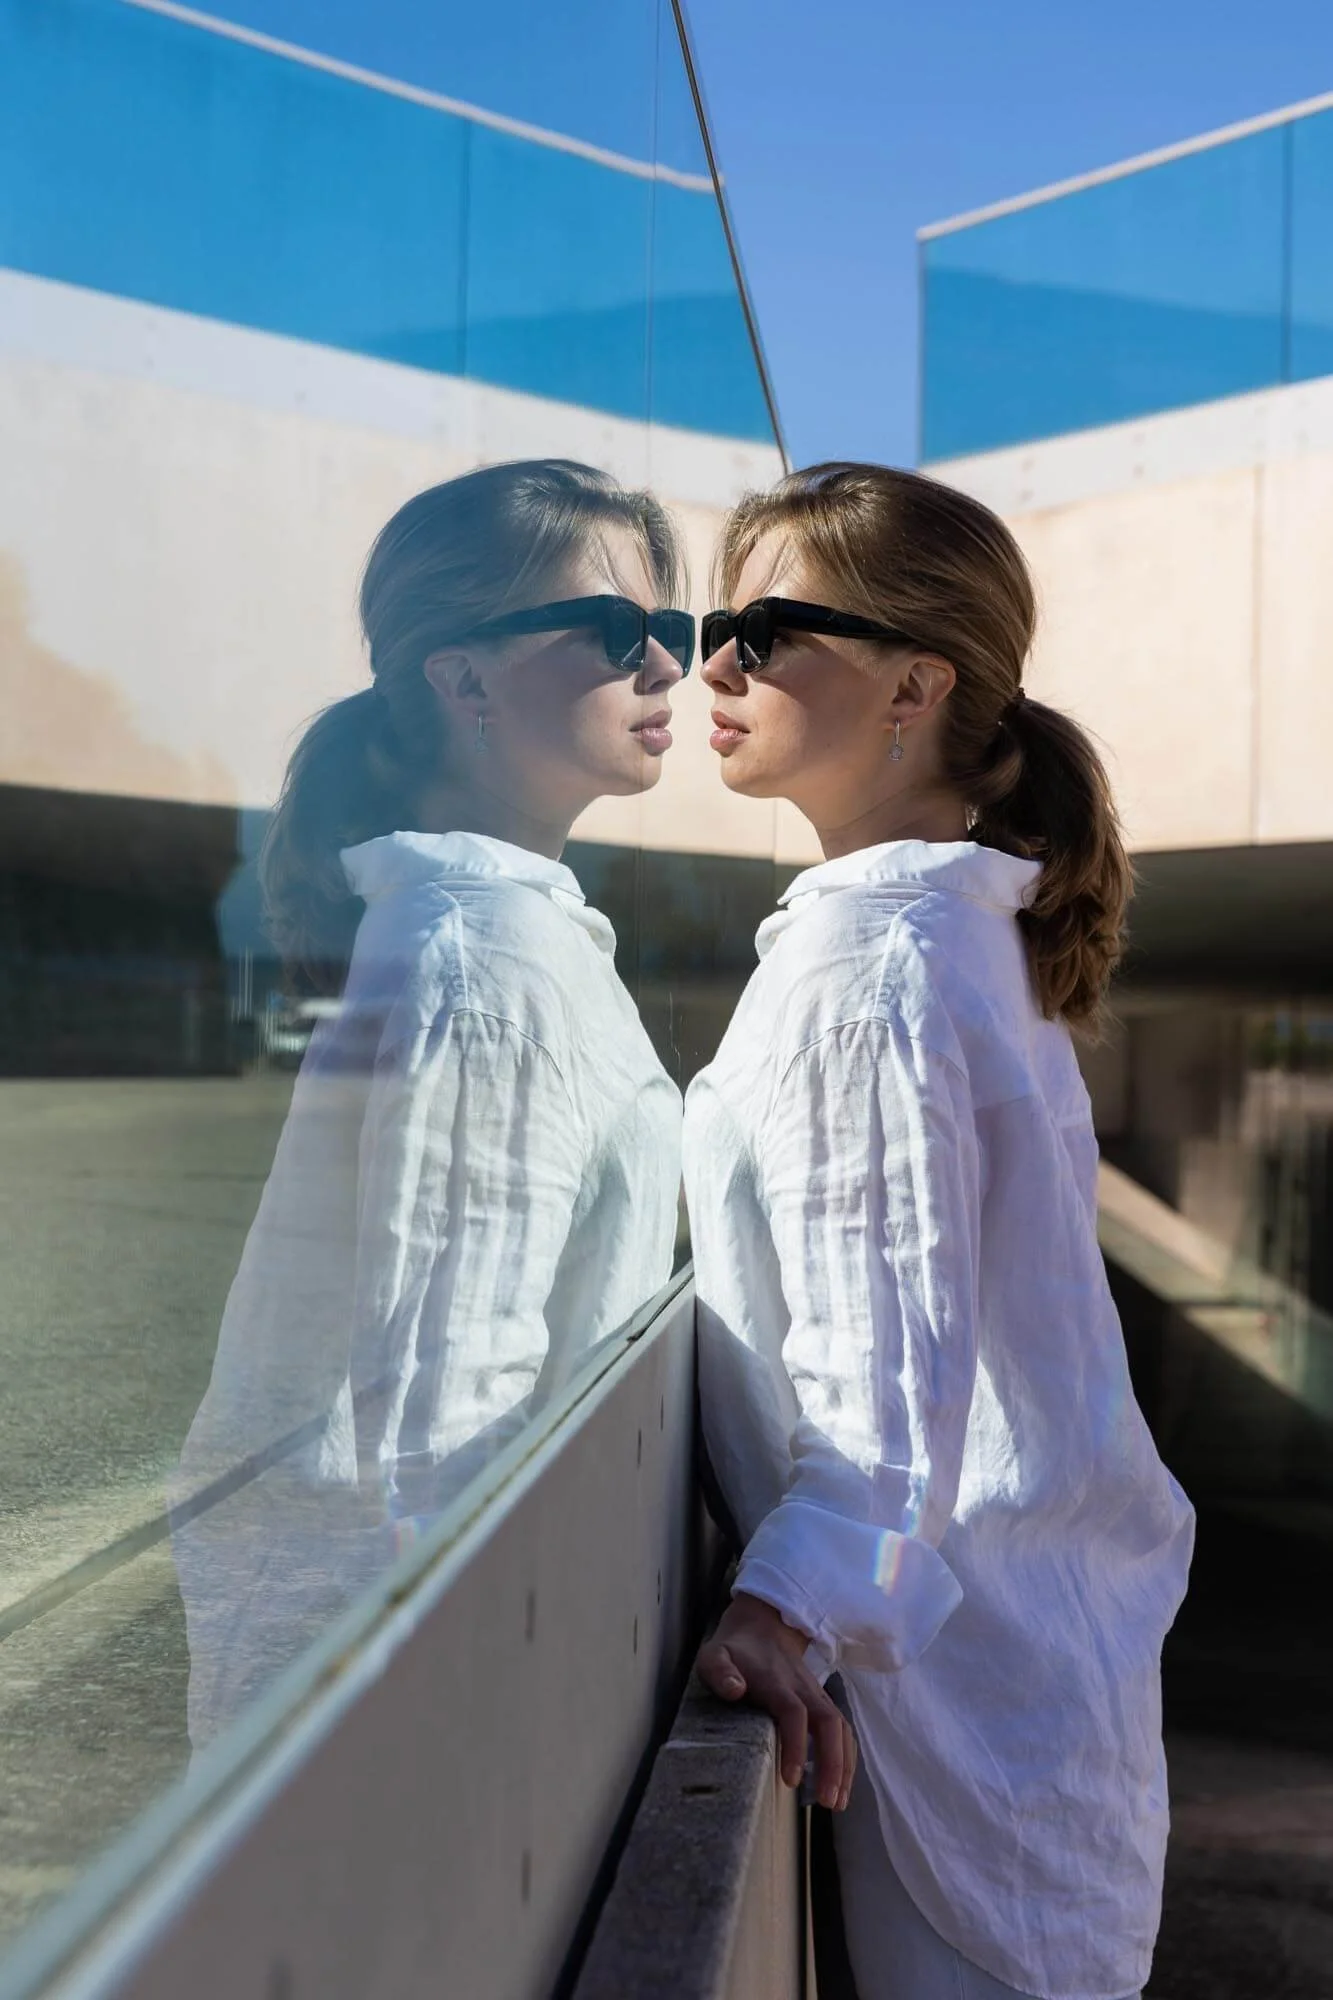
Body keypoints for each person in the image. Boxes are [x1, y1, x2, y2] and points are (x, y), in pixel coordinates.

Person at [686, 462, 1194, 2000]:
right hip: (1015, 1689)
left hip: (975, 1724)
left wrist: (788, 1609)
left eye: (766, 628)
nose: (717, 662)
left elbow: (881, 1357)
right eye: (715, 621)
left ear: (916, 682)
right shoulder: (943, 942)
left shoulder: (879, 967)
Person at [172, 460, 691, 1746]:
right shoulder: (482, 959)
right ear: (460, 678)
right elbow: (443, 1429)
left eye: (672, 631)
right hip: (386, 1717)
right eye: (620, 631)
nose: (669, 668)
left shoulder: (514, 939)